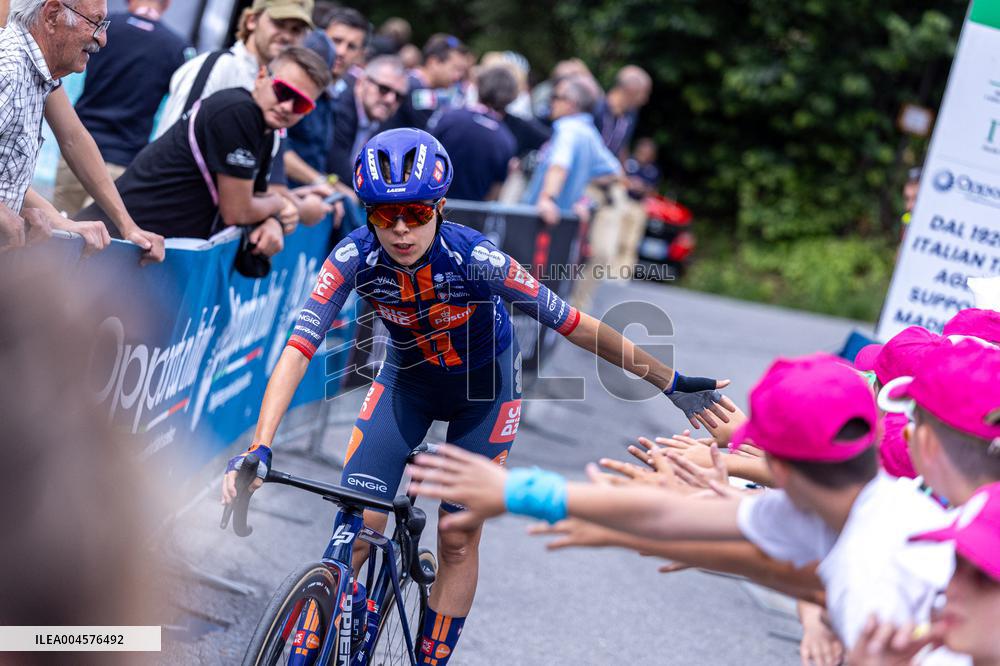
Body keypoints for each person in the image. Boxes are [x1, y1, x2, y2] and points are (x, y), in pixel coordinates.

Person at [221, 128, 736, 666]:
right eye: (383, 215)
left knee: (457, 537)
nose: (399, 230)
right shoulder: (354, 254)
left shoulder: (475, 258)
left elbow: (576, 324)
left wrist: (669, 382)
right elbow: (300, 348)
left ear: (439, 208)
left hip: (482, 394)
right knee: (355, 527)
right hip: (407, 384)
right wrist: (259, 446)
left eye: (416, 214)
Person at [407, 353, 960, 650]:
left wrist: (519, 493)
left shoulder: (878, 558)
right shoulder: (857, 507)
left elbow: (796, 572)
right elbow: (673, 515)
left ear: (781, 467)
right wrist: (529, 497)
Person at [76, 46, 330, 254]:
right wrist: (279, 204)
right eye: (283, 91)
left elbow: (254, 201)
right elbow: (238, 210)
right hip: (108, 243)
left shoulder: (265, 127)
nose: (287, 106)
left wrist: (274, 215)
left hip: (137, 247)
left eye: (301, 104)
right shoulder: (239, 112)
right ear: (262, 76)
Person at [2, 0, 165, 263]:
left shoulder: (39, 71)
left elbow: (73, 138)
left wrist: (127, 226)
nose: (102, 39)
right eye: (95, 22)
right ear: (53, 14)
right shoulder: (9, 71)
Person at [52, 0, 190, 216]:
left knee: (54, 238)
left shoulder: (100, 28)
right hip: (122, 164)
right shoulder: (177, 48)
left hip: (74, 152)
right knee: (94, 244)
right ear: (168, 3)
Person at [284, 6, 369, 189]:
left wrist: (333, 185)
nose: (340, 51)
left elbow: (315, 159)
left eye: (351, 46)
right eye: (336, 40)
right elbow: (276, 149)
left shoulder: (334, 94)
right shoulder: (296, 84)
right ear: (321, 37)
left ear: (360, 56)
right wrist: (322, 183)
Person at [430, 65, 517, 201]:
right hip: (472, 216)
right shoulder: (506, 139)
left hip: (432, 207)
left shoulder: (449, 118)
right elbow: (495, 191)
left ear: (479, 87)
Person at [326, 54, 407, 186]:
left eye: (399, 96)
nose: (390, 100)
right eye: (384, 89)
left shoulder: (386, 123)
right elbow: (336, 167)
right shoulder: (338, 108)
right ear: (361, 83)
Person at [381, 33, 467, 132]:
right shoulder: (418, 90)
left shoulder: (411, 81)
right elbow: (432, 133)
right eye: (455, 69)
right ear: (434, 62)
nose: (458, 76)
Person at [594, 65, 651, 163]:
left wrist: (624, 176)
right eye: (644, 93)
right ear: (631, 90)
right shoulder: (597, 108)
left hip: (607, 173)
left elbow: (622, 148)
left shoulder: (631, 116)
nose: (645, 100)